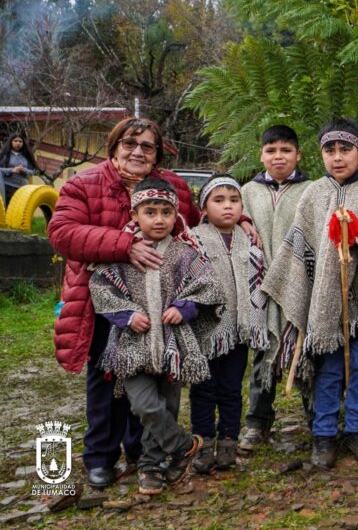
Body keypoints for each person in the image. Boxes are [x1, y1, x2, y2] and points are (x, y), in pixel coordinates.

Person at [48, 117, 207, 490]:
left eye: (147, 145)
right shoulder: (84, 184)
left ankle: (142, 452)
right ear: (114, 146)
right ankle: (101, 457)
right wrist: (124, 245)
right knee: (106, 380)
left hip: (159, 303)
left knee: (150, 375)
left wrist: (241, 220)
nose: (137, 151)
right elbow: (62, 233)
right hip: (103, 301)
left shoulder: (176, 189)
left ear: (157, 152)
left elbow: (197, 227)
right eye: (129, 144)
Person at [262, 118, 358, 468]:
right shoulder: (314, 193)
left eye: (345, 150)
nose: (338, 157)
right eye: (330, 150)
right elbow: (300, 241)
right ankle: (323, 436)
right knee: (329, 367)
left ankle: (357, 430)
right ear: (321, 154)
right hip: (324, 300)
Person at [88, 177, 224, 495]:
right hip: (133, 347)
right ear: (135, 214)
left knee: (168, 404)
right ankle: (185, 444)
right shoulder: (122, 255)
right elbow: (102, 289)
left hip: (173, 346)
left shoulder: (183, 253)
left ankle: (151, 468)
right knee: (145, 406)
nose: (159, 219)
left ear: (175, 215)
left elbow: (209, 285)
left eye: (166, 212)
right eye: (150, 211)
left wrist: (184, 307)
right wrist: (127, 315)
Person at [238, 125, 311, 453]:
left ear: (298, 154)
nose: (278, 157)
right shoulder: (246, 192)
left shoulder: (312, 189)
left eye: (285, 150)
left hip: (301, 283)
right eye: (271, 150)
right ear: (261, 155)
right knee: (264, 351)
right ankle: (257, 420)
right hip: (261, 285)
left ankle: (316, 420)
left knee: (306, 352)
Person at [189, 175, 269, 473]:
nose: (227, 207)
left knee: (232, 388)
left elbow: (258, 275)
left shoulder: (248, 237)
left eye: (234, 201)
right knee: (203, 388)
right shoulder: (194, 238)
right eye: (219, 201)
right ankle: (203, 441)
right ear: (204, 206)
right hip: (206, 331)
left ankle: (228, 441)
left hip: (239, 330)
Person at [0, 133, 39, 204]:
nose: (18, 143)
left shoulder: (27, 156)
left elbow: (34, 171)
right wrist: (12, 170)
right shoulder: (4, 155)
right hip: (6, 186)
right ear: (10, 142)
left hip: (23, 188)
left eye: (20, 141)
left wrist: (25, 170)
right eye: (15, 141)